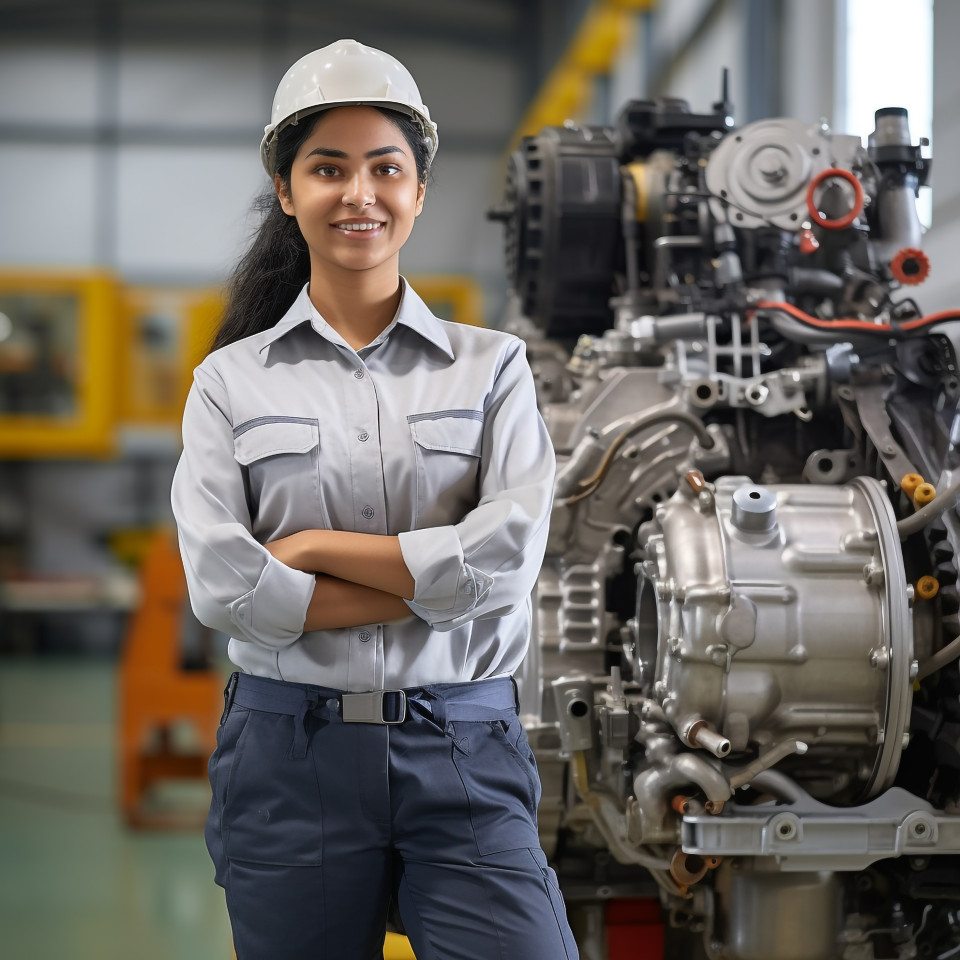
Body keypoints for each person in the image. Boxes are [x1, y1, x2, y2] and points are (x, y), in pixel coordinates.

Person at [171, 38, 578, 960]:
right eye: (328, 168)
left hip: (465, 748)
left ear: (419, 190)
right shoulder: (229, 384)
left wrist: (311, 550)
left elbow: (509, 561)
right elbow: (226, 591)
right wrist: (440, 582)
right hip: (289, 758)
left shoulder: (493, 369)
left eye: (385, 168)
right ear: (287, 192)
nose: (359, 194)